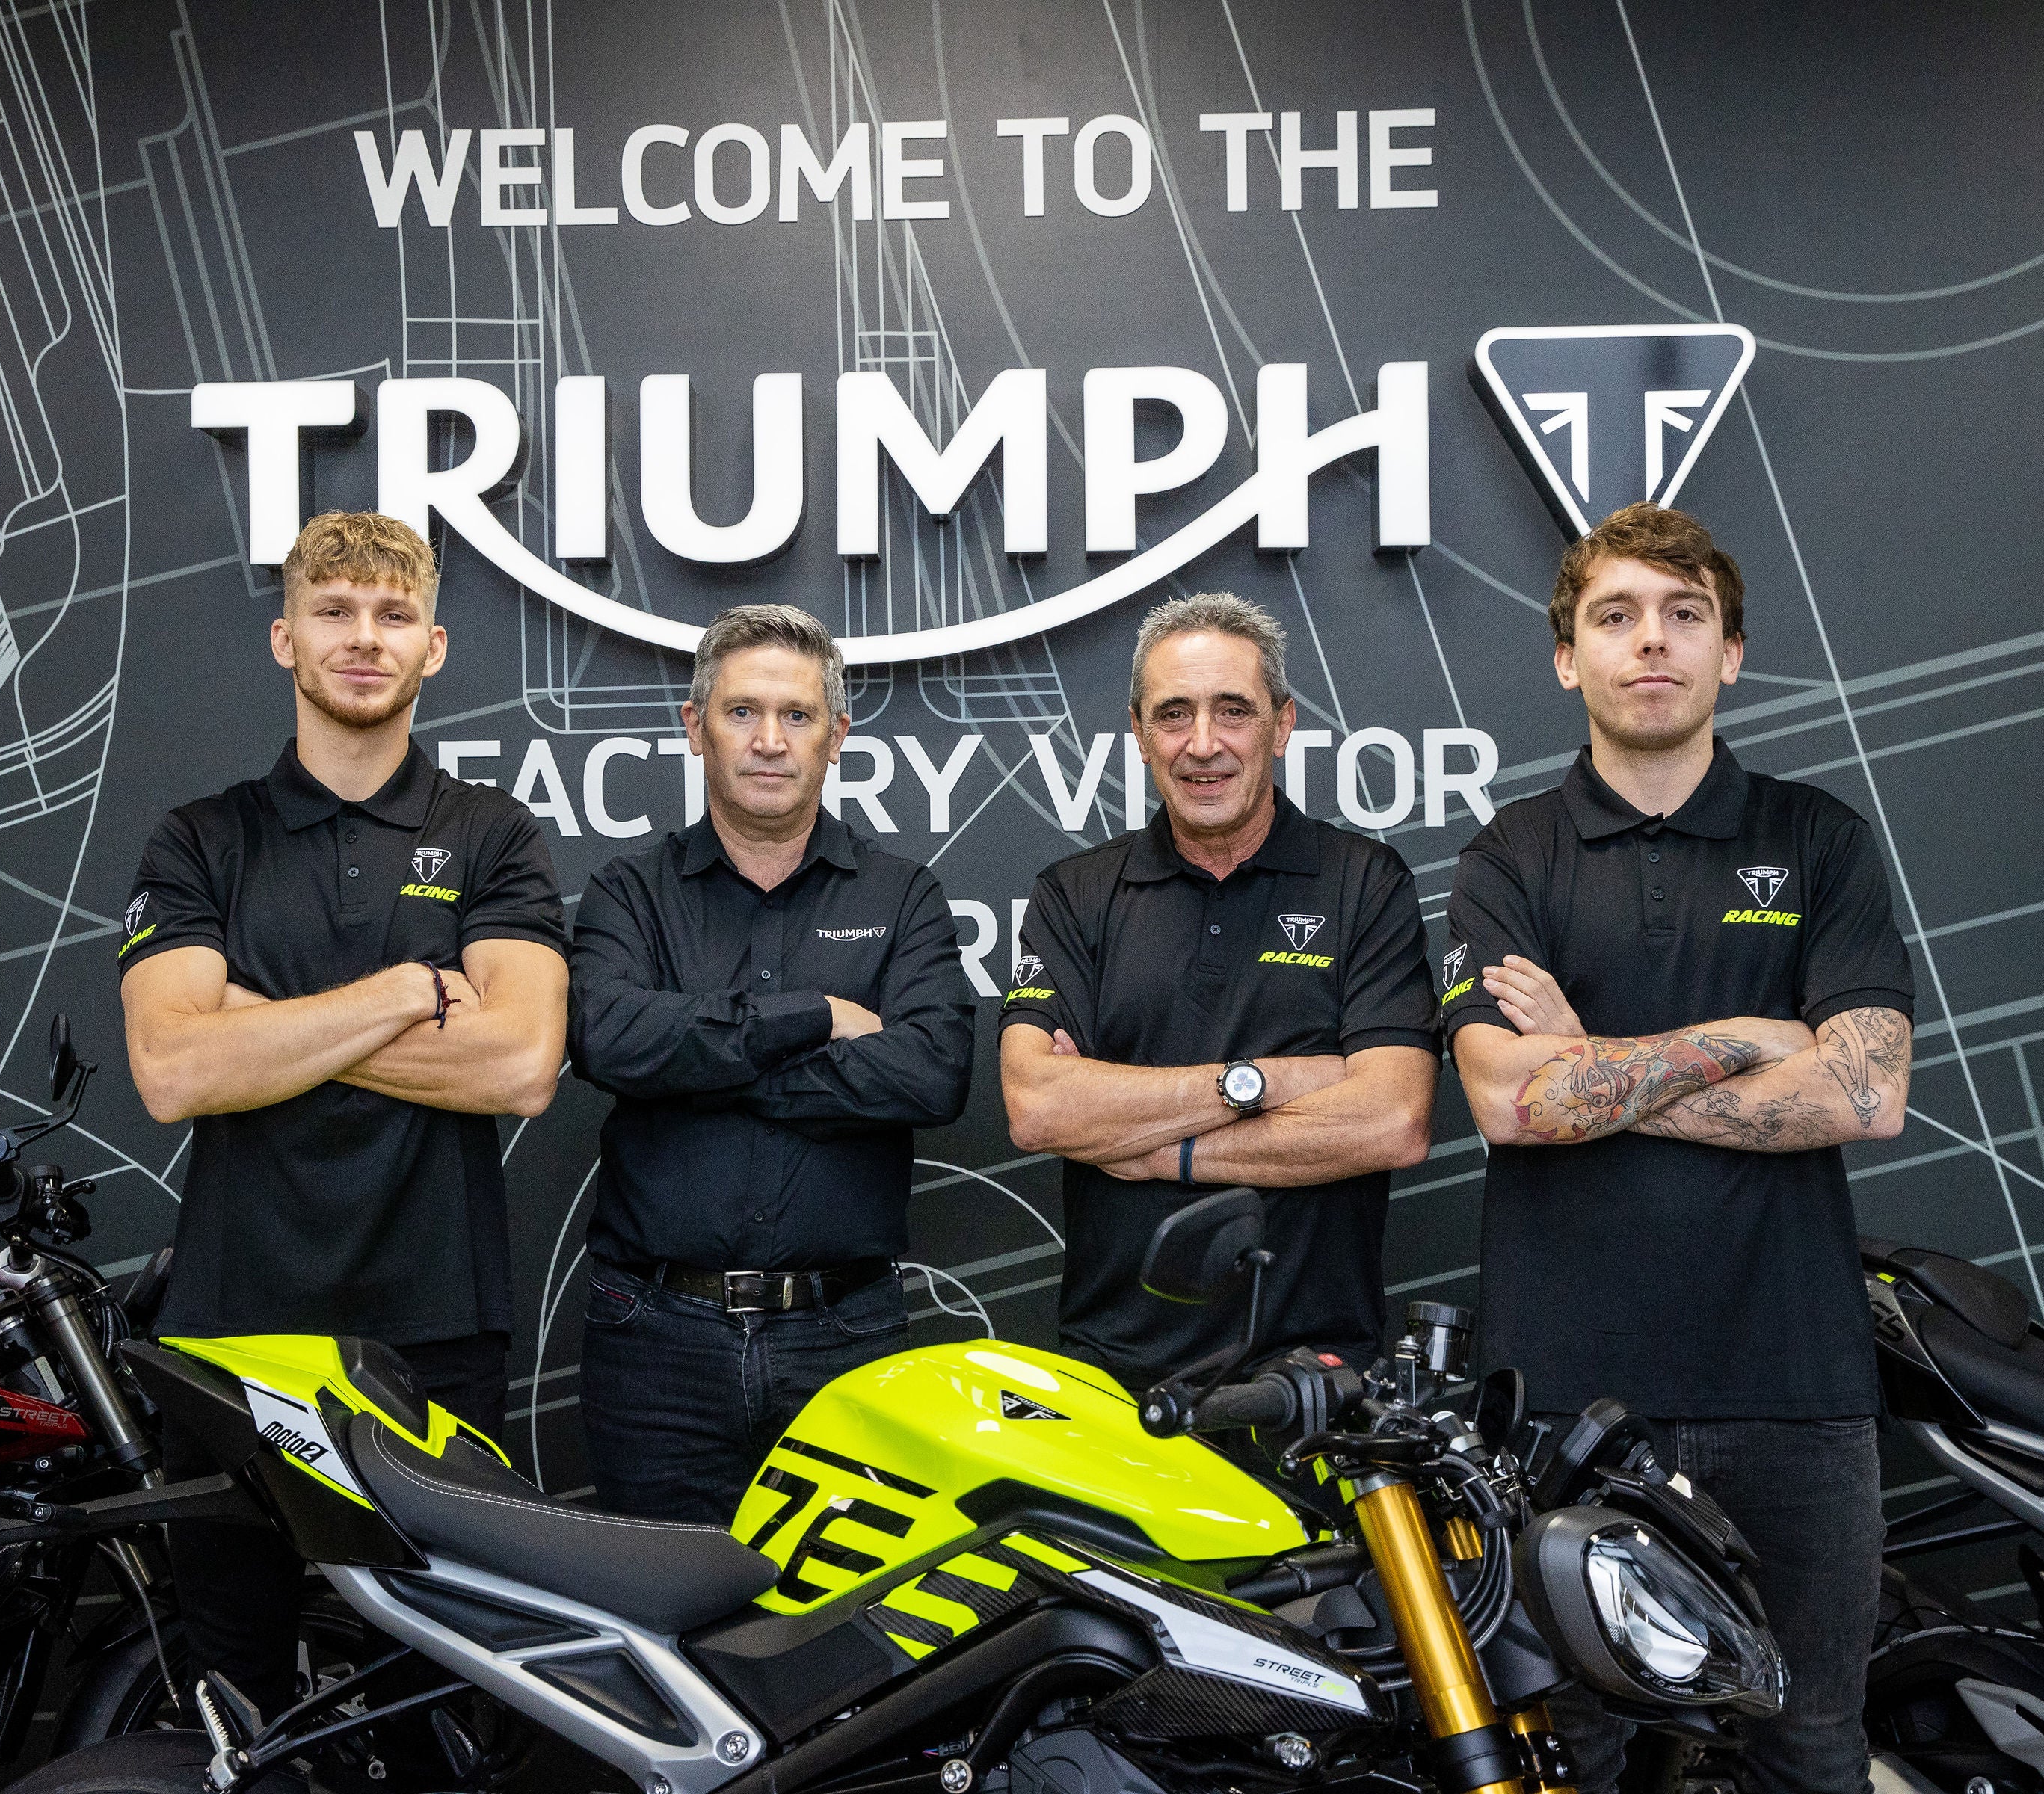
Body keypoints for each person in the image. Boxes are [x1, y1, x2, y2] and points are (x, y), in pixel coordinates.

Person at [1441, 502, 1914, 1794]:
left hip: (1795, 1393)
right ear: (1567, 659)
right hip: (1563, 1407)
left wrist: (1593, 1060)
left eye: (1684, 614)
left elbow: (1866, 1095)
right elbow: (1509, 1104)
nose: (1651, 641)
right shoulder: (1507, 856)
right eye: (1616, 616)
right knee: (1568, 1763)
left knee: (1809, 1752)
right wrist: (1751, 1036)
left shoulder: (1818, 840)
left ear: (1731, 652)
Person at [114, 510, 569, 1713]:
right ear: (285, 639)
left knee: (437, 1703)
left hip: (436, 1330)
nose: (364, 638)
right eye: (334, 611)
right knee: (238, 1702)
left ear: (433, 647)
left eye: (393, 615)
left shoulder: (492, 834)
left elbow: (522, 1064)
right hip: (232, 1333)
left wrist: (259, 1027)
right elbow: (172, 1072)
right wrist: (404, 993)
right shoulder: (202, 838)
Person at [568, 603, 975, 1523]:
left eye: (797, 715)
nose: (769, 741)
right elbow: (610, 1040)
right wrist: (817, 1017)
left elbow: (934, 1071)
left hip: (846, 1336)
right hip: (655, 1341)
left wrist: (701, 1069)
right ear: (694, 726)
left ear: (837, 736)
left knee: (853, 1607)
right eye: (742, 712)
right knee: (660, 1601)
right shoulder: (627, 894)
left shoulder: (902, 895)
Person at [999, 593, 1440, 1396]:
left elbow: (1392, 1120)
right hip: (1112, 1375)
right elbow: (1039, 1107)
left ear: (1282, 723)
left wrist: (1160, 1151)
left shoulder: (1365, 884)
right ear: (1139, 734)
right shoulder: (1075, 894)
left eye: (1233, 710)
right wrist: (1268, 1081)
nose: (1203, 744)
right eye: (1174, 715)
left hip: (1312, 1379)